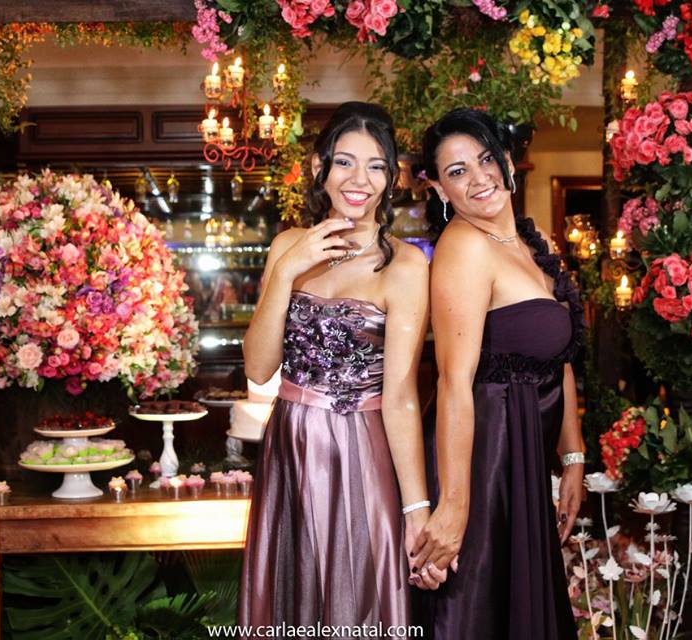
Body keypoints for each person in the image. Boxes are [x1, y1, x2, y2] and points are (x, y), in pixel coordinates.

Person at [239, 102, 439, 631]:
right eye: (345, 162)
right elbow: (258, 368)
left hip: (361, 449)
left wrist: (416, 508)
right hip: (288, 446)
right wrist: (287, 272)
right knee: (292, 596)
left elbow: (401, 397)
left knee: (359, 597)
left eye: (376, 166)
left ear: (391, 178)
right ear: (319, 168)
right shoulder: (287, 246)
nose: (359, 180)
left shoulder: (405, 265)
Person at [411, 108, 585, 639]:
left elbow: (558, 355)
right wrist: (454, 505)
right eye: (457, 171)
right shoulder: (463, 246)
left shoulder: (533, 243)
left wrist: (573, 455)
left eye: (486, 159)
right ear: (439, 188)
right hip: (484, 460)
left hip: (524, 456)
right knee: (477, 614)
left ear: (508, 161)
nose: (479, 177)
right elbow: (453, 383)